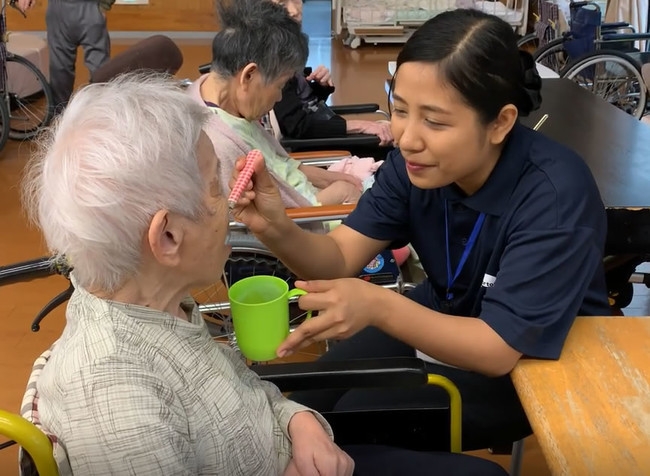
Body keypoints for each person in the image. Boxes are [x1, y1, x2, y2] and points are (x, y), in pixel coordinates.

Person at [21, 72, 508, 476]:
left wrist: (299, 423)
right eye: (215, 188)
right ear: (167, 237)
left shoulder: (156, 302)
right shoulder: (118, 412)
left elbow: (242, 391)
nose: (229, 204)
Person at [229, 8, 611, 451]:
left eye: (434, 120)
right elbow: (337, 258)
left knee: (354, 423)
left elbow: (497, 347)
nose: (408, 137)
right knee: (311, 400)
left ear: (501, 122)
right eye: (401, 110)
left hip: (529, 365)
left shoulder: (555, 195)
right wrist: (275, 228)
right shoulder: (414, 167)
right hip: (442, 317)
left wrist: (378, 306)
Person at [188, 0, 363, 208]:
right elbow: (261, 227)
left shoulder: (220, 94)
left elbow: (282, 166)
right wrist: (340, 193)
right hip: (302, 224)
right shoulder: (218, 148)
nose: (280, 98)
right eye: (280, 85)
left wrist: (331, 179)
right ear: (249, 75)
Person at [270, 0, 394, 154]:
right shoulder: (273, 60)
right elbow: (297, 125)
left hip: (328, 130)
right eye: (282, 4)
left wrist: (320, 87)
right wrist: (362, 125)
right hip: (320, 143)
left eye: (297, 1)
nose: (294, 10)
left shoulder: (286, 46)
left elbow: (298, 104)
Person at [17, 0, 112, 112]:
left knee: (100, 71)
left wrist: (104, 5)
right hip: (58, 10)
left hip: (91, 8)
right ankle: (59, 122)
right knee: (59, 74)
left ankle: (102, 116)